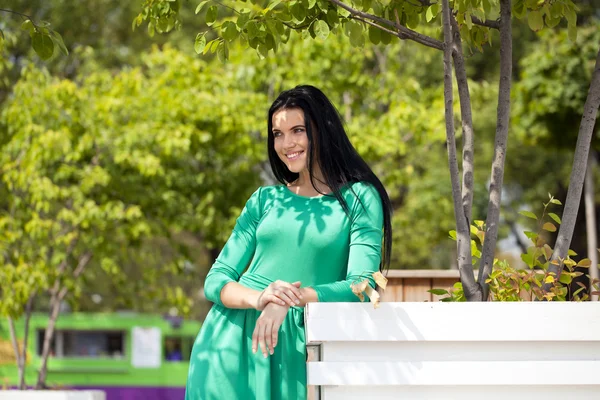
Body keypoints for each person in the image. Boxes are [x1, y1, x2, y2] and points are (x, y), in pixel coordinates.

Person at [184, 85, 393, 400]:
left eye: (298, 130)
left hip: (292, 344)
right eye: (277, 134)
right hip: (225, 345)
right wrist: (261, 299)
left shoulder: (359, 198)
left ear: (322, 131)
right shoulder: (264, 199)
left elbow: (364, 286)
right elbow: (216, 280)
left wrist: (290, 300)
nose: (286, 143)